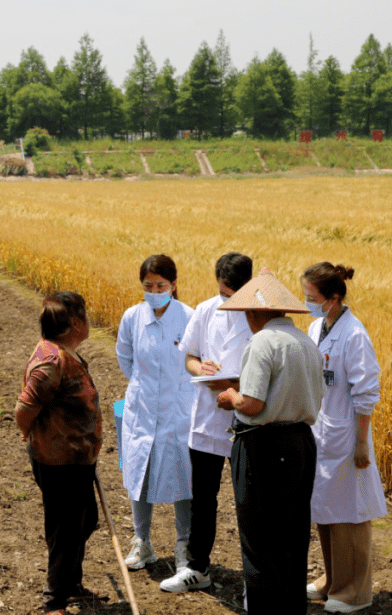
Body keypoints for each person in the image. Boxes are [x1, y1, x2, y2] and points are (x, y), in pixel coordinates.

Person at [215, 270, 324, 613]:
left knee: (259, 539)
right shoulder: (307, 342)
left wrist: (231, 396)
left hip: (263, 447)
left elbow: (252, 404)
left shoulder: (262, 342)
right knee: (292, 533)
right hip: (301, 443)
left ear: (253, 313)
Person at [161, 252, 254, 593]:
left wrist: (235, 384)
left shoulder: (260, 316)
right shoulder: (204, 310)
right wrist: (203, 370)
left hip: (247, 418)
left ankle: (254, 578)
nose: (227, 301)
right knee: (203, 498)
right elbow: (189, 356)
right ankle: (197, 567)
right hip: (207, 417)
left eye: (234, 296)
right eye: (223, 294)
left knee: (249, 501)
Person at [302, 263, 387, 614]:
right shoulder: (315, 326)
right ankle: (331, 580)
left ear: (334, 298)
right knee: (325, 509)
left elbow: (366, 392)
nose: (308, 303)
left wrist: (362, 442)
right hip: (322, 431)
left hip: (347, 434)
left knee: (350, 514)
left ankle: (355, 592)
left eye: (313, 298)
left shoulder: (354, 335)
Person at [15, 292, 107, 615]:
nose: (89, 322)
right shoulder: (51, 362)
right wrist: (36, 437)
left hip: (77, 461)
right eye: (85, 316)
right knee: (65, 531)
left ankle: (71, 583)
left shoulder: (64, 353)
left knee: (85, 521)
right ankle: (54, 601)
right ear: (75, 324)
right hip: (60, 464)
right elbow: (22, 411)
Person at [115, 254, 194, 571]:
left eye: (161, 285)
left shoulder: (189, 316)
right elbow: (125, 358)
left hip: (178, 409)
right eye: (148, 285)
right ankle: (142, 542)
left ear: (173, 285)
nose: (154, 290)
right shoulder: (132, 317)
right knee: (139, 473)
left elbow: (196, 358)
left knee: (183, 476)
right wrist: (144, 385)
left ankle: (184, 544)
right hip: (142, 408)